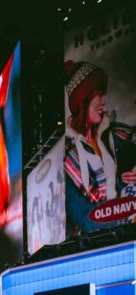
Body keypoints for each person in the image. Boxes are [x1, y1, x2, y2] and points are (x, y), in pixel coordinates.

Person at [64, 60, 136, 235]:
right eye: (99, 94)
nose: (104, 101)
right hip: (94, 246)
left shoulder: (107, 135)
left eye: (105, 93)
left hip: (122, 232)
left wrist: (126, 180)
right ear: (83, 98)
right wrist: (126, 213)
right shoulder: (66, 154)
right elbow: (84, 218)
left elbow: (111, 190)